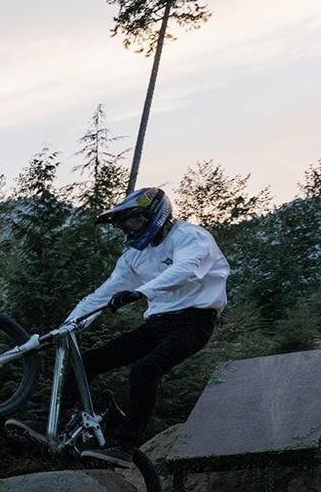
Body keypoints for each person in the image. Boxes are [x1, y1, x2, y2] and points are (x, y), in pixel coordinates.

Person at [63, 187, 230, 461]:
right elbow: (101, 296)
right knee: (89, 361)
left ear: (155, 215)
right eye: (125, 224)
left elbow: (184, 270)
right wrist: (67, 327)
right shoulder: (133, 257)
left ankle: (126, 445)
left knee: (144, 371)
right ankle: (57, 425)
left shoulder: (190, 236)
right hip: (156, 324)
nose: (130, 229)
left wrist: (140, 292)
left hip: (194, 322)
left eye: (135, 220)